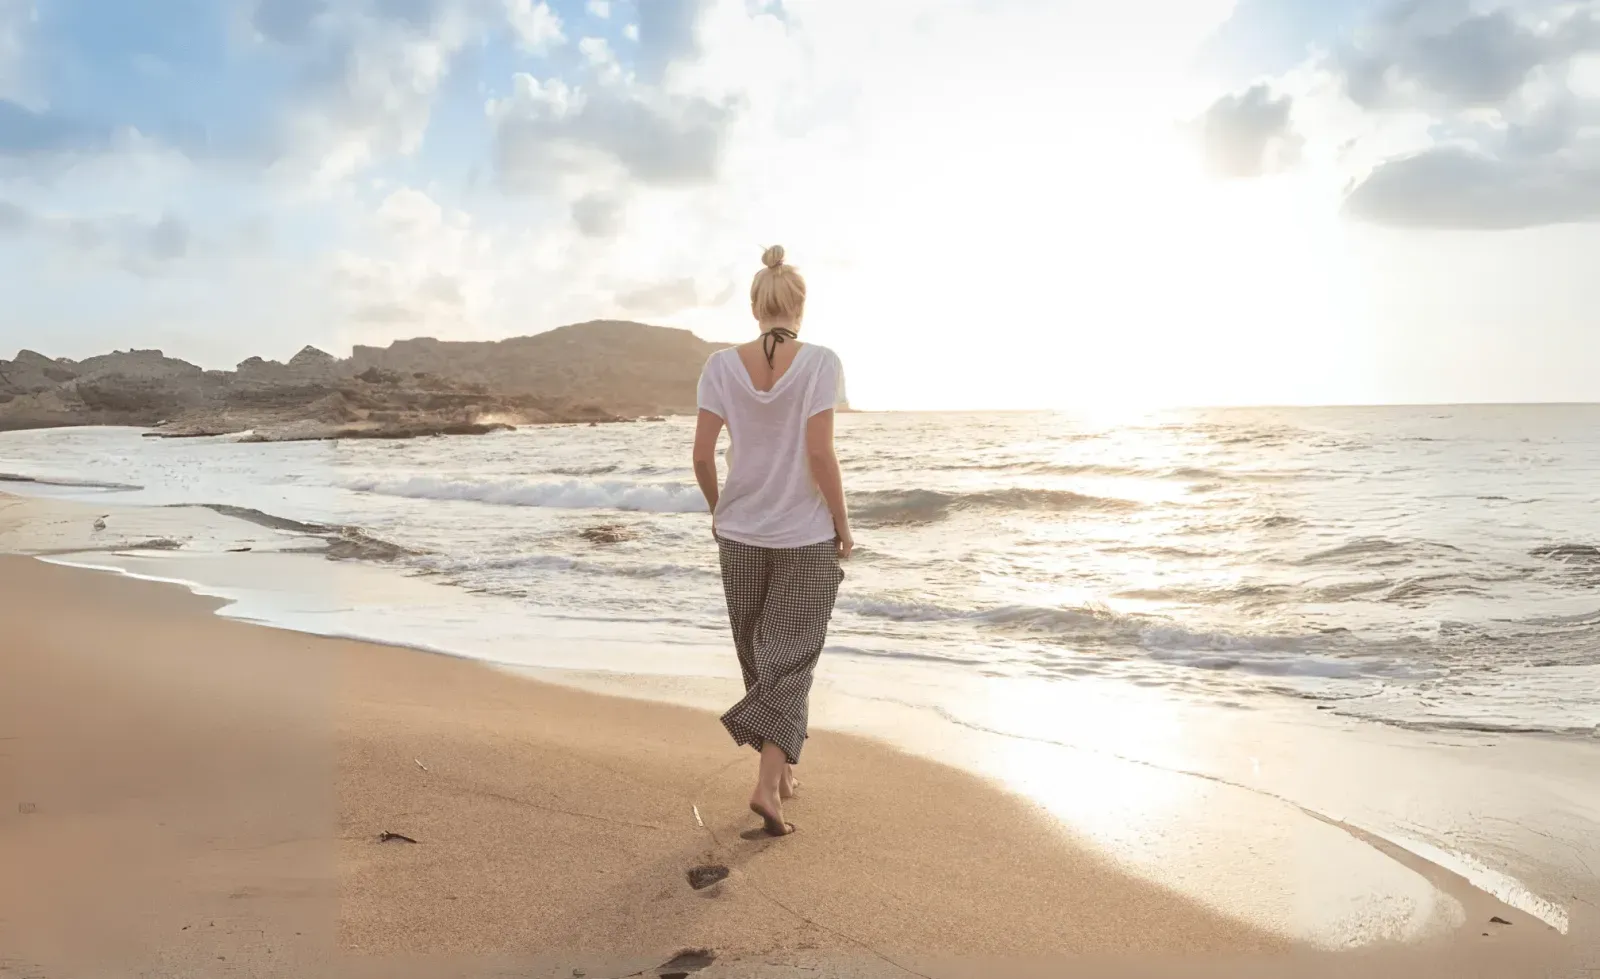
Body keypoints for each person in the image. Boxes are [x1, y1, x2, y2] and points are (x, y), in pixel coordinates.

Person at [691, 244, 852, 837]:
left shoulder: (718, 366)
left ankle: (780, 775)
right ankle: (767, 788)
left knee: (760, 658)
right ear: (799, 306)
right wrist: (842, 520)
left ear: (755, 305)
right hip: (803, 535)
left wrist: (719, 510)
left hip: (740, 533)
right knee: (791, 657)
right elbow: (819, 452)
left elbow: (702, 456)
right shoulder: (820, 363)